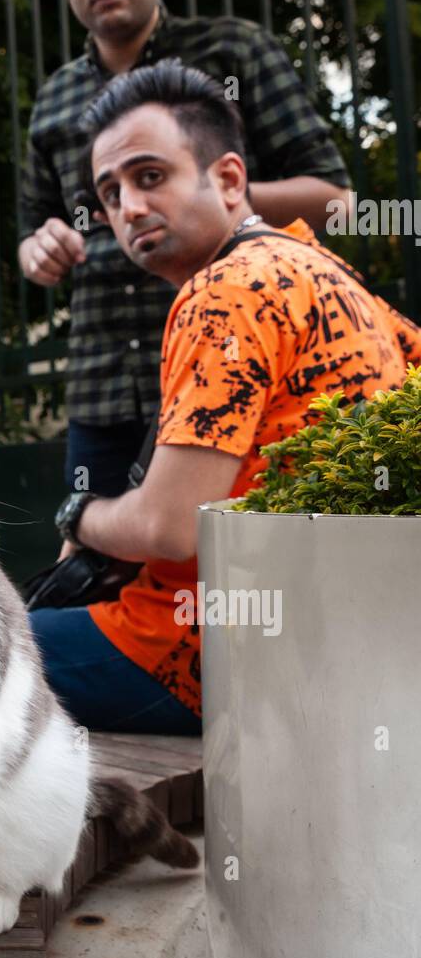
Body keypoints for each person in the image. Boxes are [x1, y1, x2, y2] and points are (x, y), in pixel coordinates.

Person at [28, 60, 421, 736]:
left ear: (229, 179)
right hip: (346, 646)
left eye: (149, 176)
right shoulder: (337, 278)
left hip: (205, 653)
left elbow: (169, 529)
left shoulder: (222, 292)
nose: (128, 209)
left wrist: (78, 514)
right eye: (109, 193)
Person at [18, 0, 352, 510]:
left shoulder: (234, 51)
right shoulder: (53, 100)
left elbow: (336, 198)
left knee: (241, 576)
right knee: (100, 586)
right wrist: (38, 249)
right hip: (102, 388)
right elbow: (35, 229)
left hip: (237, 368)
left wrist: (211, 197)